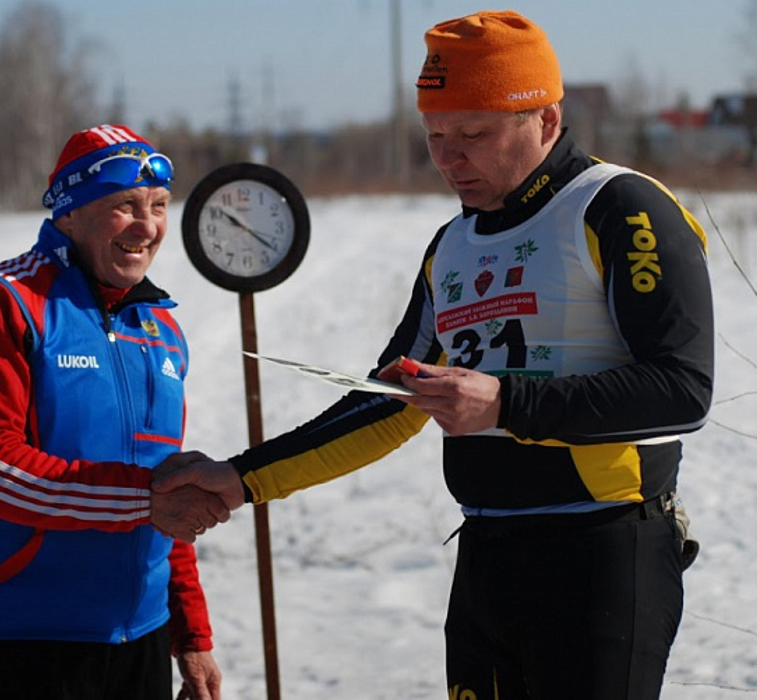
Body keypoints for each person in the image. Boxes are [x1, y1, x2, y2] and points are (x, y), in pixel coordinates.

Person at [154, 11, 714, 700]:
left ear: (544, 118)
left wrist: (506, 403)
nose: (449, 159)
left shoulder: (619, 208)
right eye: (436, 137)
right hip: (487, 558)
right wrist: (241, 479)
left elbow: (682, 390)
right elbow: (386, 403)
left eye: (473, 134)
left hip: (600, 552)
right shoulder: (453, 244)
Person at [0, 123, 228, 700]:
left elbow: (167, 483)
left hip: (142, 635)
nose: (148, 226)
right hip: (25, 636)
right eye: (124, 206)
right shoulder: (3, 301)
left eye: (159, 206)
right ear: (68, 214)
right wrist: (147, 498)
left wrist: (191, 632)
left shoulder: (160, 329)